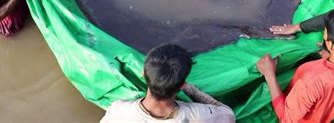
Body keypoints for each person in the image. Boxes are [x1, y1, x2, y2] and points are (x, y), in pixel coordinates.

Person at [257, 6, 334, 122]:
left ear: (330, 45)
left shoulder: (312, 80)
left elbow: (287, 119)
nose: (323, 33)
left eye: (324, 31)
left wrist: (269, 74)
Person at [100, 44, 235, 122]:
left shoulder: (118, 111)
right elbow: (229, 115)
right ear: (181, 86)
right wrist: (192, 90)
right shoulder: (200, 116)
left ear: (143, 74)